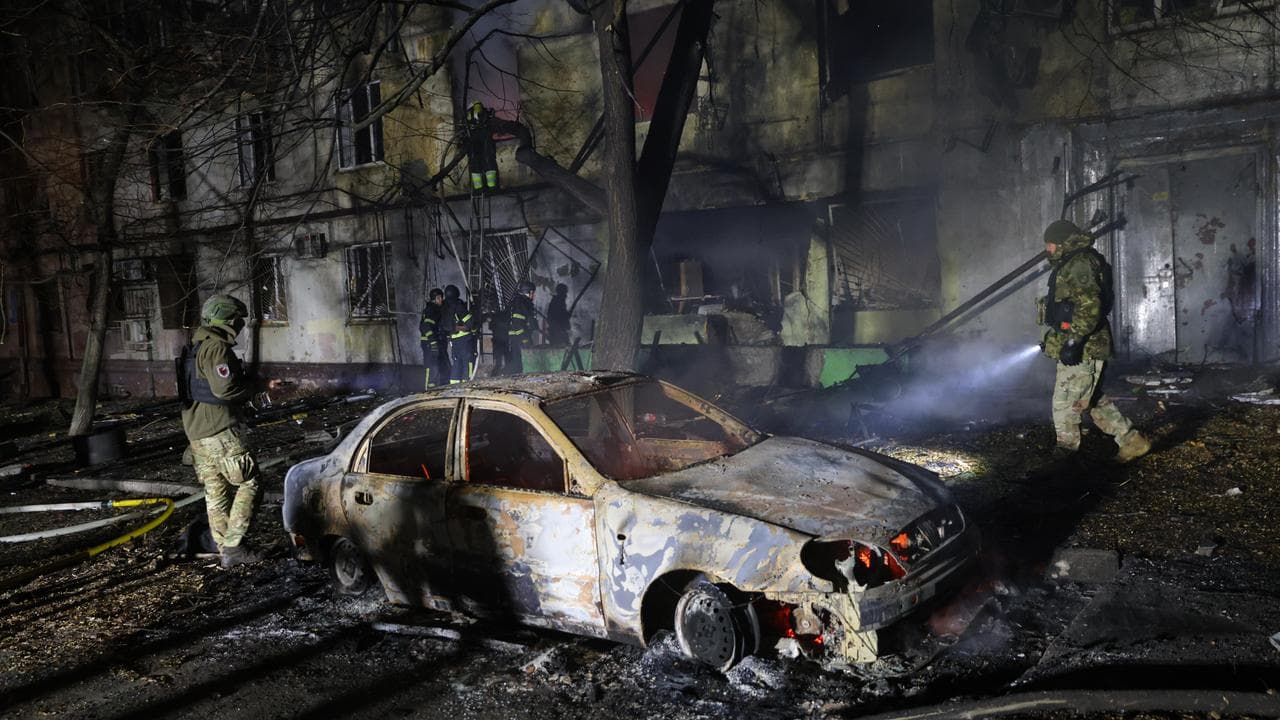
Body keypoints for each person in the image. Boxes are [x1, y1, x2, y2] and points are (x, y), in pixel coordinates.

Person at [179, 294, 279, 568]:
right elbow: (226, 389)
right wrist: (259, 388)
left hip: (198, 434)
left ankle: (226, 550)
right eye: (238, 321)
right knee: (250, 482)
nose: (240, 327)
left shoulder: (197, 348)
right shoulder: (217, 349)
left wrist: (260, 383)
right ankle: (234, 546)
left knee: (216, 492)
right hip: (220, 431)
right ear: (229, 321)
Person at [1038, 220, 1150, 463]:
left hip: (1085, 346)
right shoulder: (1073, 261)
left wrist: (1074, 342)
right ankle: (1132, 441)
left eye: (1050, 245)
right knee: (1092, 398)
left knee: (1065, 402)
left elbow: (1089, 306)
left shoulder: (1079, 263)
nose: (1048, 250)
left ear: (1061, 243)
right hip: (1084, 342)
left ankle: (1064, 457)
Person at [444, 284, 476, 382]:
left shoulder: (444, 306)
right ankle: (467, 386)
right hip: (465, 340)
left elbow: (445, 326)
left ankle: (454, 387)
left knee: (456, 364)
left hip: (453, 341)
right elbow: (470, 323)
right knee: (467, 363)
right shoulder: (458, 305)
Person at [419, 288, 449, 388]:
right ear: (436, 298)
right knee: (431, 367)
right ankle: (427, 391)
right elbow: (424, 326)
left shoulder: (436, 309)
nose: (441, 300)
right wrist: (432, 342)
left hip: (436, 342)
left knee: (439, 366)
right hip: (429, 343)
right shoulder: (431, 310)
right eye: (440, 298)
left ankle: (437, 389)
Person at [507, 280, 537, 375]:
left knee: (519, 362)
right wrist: (524, 340)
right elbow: (517, 324)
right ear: (527, 292)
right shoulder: (521, 304)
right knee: (518, 363)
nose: (534, 295)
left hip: (519, 337)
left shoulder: (522, 302)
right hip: (518, 338)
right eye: (532, 292)